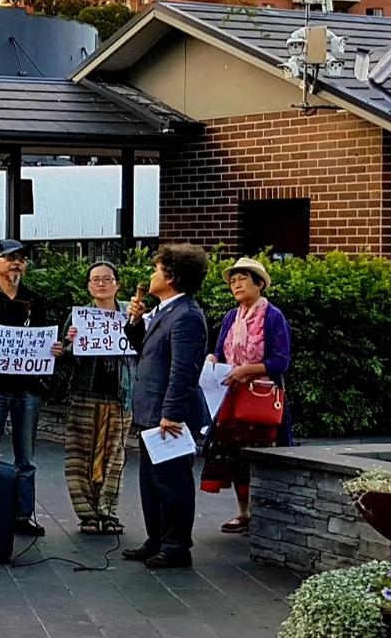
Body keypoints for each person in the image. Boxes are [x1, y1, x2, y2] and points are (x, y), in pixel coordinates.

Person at [0, 239, 62, 537]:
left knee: (26, 457)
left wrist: (54, 349)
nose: (16, 262)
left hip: (28, 386)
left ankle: (23, 514)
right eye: (9, 258)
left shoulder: (35, 300)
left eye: (20, 258)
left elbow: (44, 339)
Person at [123, 243, 212, 569]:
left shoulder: (187, 316)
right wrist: (135, 323)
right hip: (152, 410)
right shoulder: (165, 311)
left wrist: (171, 413)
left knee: (172, 482)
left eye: (156, 270)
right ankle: (157, 538)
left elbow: (184, 370)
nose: (151, 275)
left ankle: (176, 545)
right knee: (151, 480)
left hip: (170, 415)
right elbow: (148, 351)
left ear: (171, 276)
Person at [201, 257, 292, 534]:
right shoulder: (231, 316)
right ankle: (244, 513)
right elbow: (221, 350)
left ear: (259, 284)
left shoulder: (273, 316)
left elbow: (281, 360)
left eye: (242, 279)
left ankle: (265, 514)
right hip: (232, 395)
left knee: (261, 457)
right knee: (234, 455)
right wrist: (213, 358)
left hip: (261, 396)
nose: (236, 285)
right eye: (233, 281)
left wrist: (247, 370)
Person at [60, 262, 134, 536]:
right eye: (95, 280)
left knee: (115, 456)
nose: (101, 284)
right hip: (85, 393)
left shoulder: (132, 314)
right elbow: (64, 356)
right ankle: (87, 514)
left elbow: (143, 346)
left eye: (106, 279)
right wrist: (69, 344)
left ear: (117, 284)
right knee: (79, 455)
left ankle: (108, 512)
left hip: (120, 395)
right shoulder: (78, 316)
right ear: (89, 286)